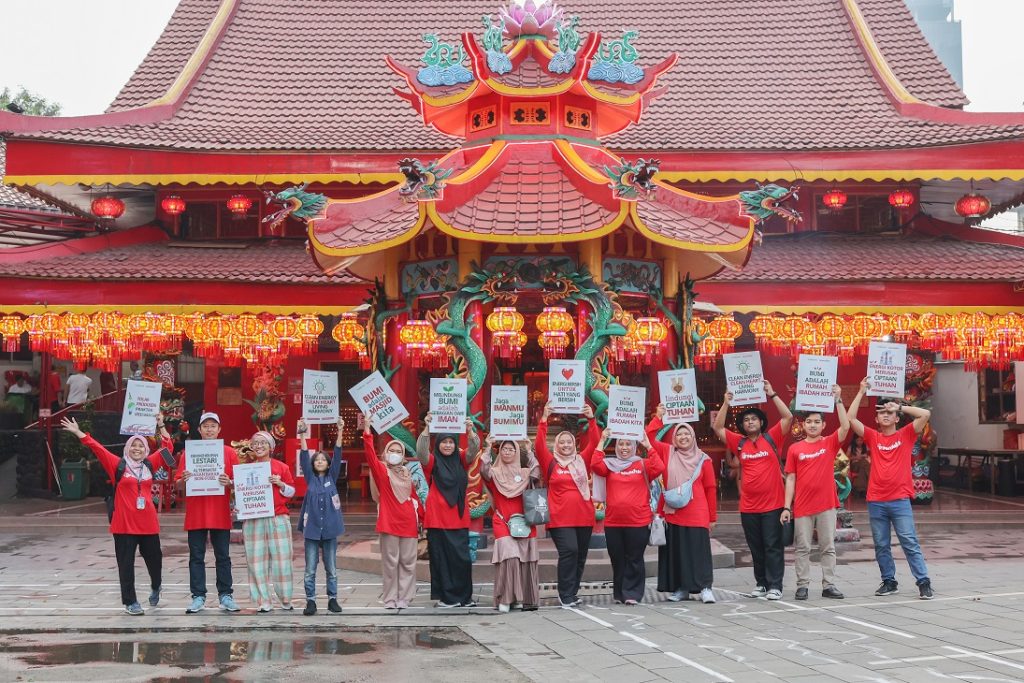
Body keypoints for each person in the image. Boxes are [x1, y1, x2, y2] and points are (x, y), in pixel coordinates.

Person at [60, 415, 174, 615]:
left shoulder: (150, 464)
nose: (137, 449)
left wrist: (161, 425)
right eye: (133, 446)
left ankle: (156, 586)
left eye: (141, 446)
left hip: (148, 523)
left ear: (146, 449)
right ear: (127, 448)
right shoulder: (118, 465)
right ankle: (131, 602)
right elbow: (98, 448)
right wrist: (78, 432)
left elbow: (168, 449)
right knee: (126, 564)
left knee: (155, 561)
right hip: (124, 524)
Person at [848, 377, 934, 599]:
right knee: (881, 545)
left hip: (899, 499)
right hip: (876, 499)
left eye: (890, 412)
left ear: (897, 417)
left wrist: (900, 406)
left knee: (909, 541)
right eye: (881, 412)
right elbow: (850, 419)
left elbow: (925, 415)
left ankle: (923, 581)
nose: (885, 415)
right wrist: (860, 392)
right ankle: (889, 581)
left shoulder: (905, 434)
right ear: (876, 418)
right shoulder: (873, 437)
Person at [713, 380, 793, 601]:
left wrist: (772, 393)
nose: (750, 422)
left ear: (761, 422)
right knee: (756, 547)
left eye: (754, 418)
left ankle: (775, 585)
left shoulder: (772, 437)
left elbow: (788, 418)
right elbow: (718, 427)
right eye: (746, 419)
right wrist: (726, 403)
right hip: (748, 507)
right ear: (743, 425)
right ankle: (761, 583)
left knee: (772, 546)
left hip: (773, 505)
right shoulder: (739, 443)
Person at [780, 385, 850, 601]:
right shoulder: (795, 449)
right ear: (803, 425)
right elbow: (790, 478)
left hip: (827, 504)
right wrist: (786, 507)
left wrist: (838, 400)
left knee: (828, 547)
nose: (812, 425)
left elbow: (846, 427)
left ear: (823, 425)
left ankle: (829, 585)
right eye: (809, 422)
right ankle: (802, 586)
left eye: (817, 422)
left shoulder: (829, 443)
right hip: (802, 506)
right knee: (802, 547)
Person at [646, 407, 718, 604]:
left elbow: (710, 488)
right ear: (674, 438)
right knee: (677, 552)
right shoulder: (667, 452)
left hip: (697, 512)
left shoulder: (703, 459)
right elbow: (649, 439)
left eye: (687, 433)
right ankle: (681, 589)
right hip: (673, 512)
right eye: (679, 433)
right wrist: (658, 416)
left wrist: (712, 517)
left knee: (699, 551)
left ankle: (705, 587)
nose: (683, 437)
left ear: (693, 437)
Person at [535, 403, 599, 608]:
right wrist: (544, 419)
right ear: (557, 445)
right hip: (560, 518)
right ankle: (565, 593)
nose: (565, 445)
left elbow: (596, 443)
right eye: (561, 442)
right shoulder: (550, 463)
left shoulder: (581, 460)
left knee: (580, 556)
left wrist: (591, 419)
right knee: (569, 551)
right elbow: (538, 446)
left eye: (569, 442)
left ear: (574, 444)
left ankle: (572, 592)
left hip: (584, 516)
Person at [175, 411, 241, 613]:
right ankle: (198, 596)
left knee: (223, 556)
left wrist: (229, 482)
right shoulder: (189, 453)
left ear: (219, 429)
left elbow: (239, 483)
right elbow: (178, 485)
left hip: (220, 513)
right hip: (196, 514)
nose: (210, 429)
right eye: (206, 426)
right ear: (199, 430)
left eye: (213, 426)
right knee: (196, 556)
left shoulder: (229, 452)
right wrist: (183, 480)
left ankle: (226, 595)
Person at [592, 430, 664, 605]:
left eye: (628, 444)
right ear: (616, 446)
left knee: (634, 558)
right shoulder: (609, 465)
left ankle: (632, 593)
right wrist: (602, 440)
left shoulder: (643, 464)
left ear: (634, 447)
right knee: (617, 558)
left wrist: (648, 445)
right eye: (621, 444)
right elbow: (595, 464)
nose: (624, 448)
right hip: (613, 522)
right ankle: (619, 592)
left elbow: (660, 467)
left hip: (638, 521)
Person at [416, 413, 480, 608]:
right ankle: (447, 598)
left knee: (462, 559)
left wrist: (470, 432)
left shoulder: (461, 459)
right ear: (439, 444)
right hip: (437, 520)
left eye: (451, 442)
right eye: (444, 442)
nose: (448, 445)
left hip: (458, 518)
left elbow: (474, 449)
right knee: (441, 560)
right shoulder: (432, 462)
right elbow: (421, 452)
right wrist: (427, 428)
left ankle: (464, 598)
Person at [363, 415, 421, 609]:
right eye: (392, 451)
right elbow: (370, 455)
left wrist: (422, 519)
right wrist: (367, 430)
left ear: (403, 455)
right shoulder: (382, 471)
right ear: (386, 454)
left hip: (409, 524)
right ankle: (390, 598)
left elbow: (415, 499)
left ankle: (404, 598)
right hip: (389, 524)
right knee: (390, 564)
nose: (395, 453)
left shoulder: (407, 475)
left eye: (398, 451)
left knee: (408, 563)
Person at [480, 436, 541, 613]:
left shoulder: (524, 472)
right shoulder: (494, 472)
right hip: (502, 520)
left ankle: (521, 599)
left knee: (525, 560)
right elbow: (483, 469)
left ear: (516, 453)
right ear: (500, 452)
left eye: (511, 449)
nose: (507, 452)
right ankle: (506, 598)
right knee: (510, 557)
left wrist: (529, 450)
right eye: (504, 449)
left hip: (524, 521)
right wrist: (487, 447)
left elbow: (537, 471)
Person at [242, 430, 296, 612]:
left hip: (277, 517)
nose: (258, 446)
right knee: (256, 561)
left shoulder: (281, 467)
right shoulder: (246, 469)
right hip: (254, 519)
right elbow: (242, 493)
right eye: (255, 443)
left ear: (270, 447)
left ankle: (285, 598)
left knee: (282, 560)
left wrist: (280, 484)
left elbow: (292, 492)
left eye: (263, 443)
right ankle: (263, 600)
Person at [297, 416, 346, 616]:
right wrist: (301, 434)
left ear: (327, 464)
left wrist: (340, 430)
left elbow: (337, 453)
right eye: (316, 459)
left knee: (331, 568)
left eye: (322, 459)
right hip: (312, 530)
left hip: (330, 530)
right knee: (310, 569)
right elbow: (303, 455)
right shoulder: (310, 478)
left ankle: (333, 599)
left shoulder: (332, 477)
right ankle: (311, 602)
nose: (319, 461)